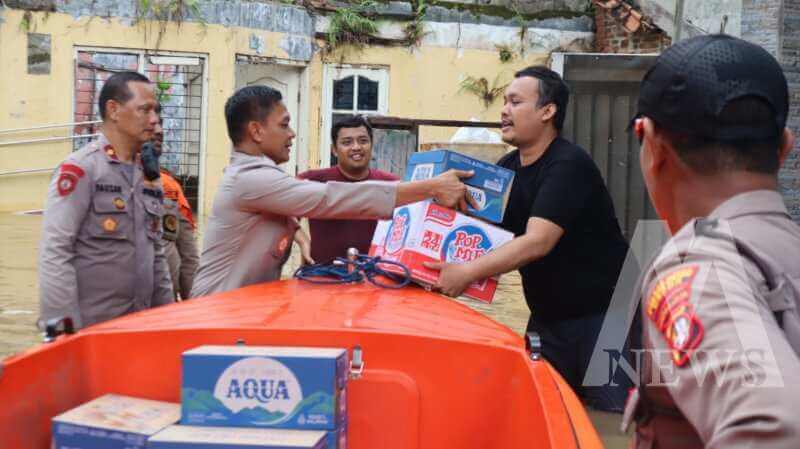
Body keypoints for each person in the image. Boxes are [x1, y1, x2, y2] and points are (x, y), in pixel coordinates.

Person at [620, 34, 800, 448]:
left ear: (652, 144)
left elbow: (776, 430)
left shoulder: (700, 265)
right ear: (784, 148)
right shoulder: (784, 249)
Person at [425, 66, 631, 411]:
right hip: (549, 318)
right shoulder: (507, 168)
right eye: (504, 101)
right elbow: (483, 234)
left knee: (611, 419)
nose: (504, 109)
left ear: (547, 111)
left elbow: (537, 241)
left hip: (608, 317)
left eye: (515, 101)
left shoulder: (568, 165)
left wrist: (466, 272)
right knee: (547, 410)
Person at [191, 85, 474, 297]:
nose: (291, 134)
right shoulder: (252, 179)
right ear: (256, 131)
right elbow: (331, 198)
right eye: (284, 125)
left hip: (244, 305)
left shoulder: (260, 177)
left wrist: (299, 236)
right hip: (220, 307)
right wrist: (432, 186)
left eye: (363, 140)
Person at [38, 71, 173, 330]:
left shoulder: (149, 176)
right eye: (144, 110)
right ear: (113, 110)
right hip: (91, 331)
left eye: (155, 110)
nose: (154, 120)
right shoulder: (81, 170)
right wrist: (62, 330)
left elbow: (156, 255)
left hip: (138, 328)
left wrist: (168, 319)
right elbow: (55, 252)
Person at [297, 115, 399, 263]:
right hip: (321, 276)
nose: (356, 147)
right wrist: (303, 241)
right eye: (347, 142)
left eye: (363, 141)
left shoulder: (391, 183)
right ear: (334, 150)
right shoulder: (314, 180)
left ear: (371, 145)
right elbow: (281, 212)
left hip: (375, 276)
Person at [153, 115, 199, 300]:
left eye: (159, 125)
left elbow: (188, 255)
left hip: (171, 199)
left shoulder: (166, 182)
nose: (159, 131)